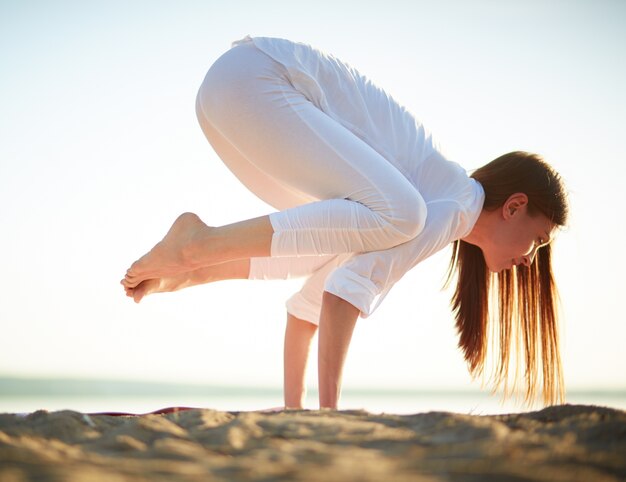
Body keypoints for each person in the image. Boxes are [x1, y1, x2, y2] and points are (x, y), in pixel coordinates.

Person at [121, 36, 569, 410]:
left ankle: (192, 267)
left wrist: (294, 411)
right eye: (538, 240)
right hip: (259, 82)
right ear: (513, 207)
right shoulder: (452, 207)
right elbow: (344, 297)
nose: (531, 259)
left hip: (227, 96)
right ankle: (198, 243)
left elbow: (309, 308)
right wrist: (330, 416)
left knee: (329, 240)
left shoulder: (428, 205)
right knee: (402, 215)